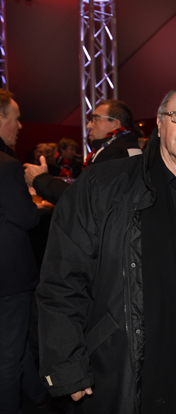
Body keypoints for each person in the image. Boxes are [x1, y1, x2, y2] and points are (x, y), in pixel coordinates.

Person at [36, 84, 176, 413]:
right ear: (159, 121)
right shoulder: (104, 186)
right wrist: (66, 363)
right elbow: (62, 279)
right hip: (126, 362)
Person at [0, 89, 56, 414]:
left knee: (13, 344)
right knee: (7, 356)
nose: (20, 126)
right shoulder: (7, 167)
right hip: (10, 278)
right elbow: (25, 217)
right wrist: (38, 197)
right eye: (15, 118)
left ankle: (38, 397)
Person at [24, 100, 141, 204]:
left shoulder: (115, 153)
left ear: (115, 124)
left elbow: (85, 199)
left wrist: (40, 179)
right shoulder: (127, 148)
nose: (88, 125)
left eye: (95, 120)